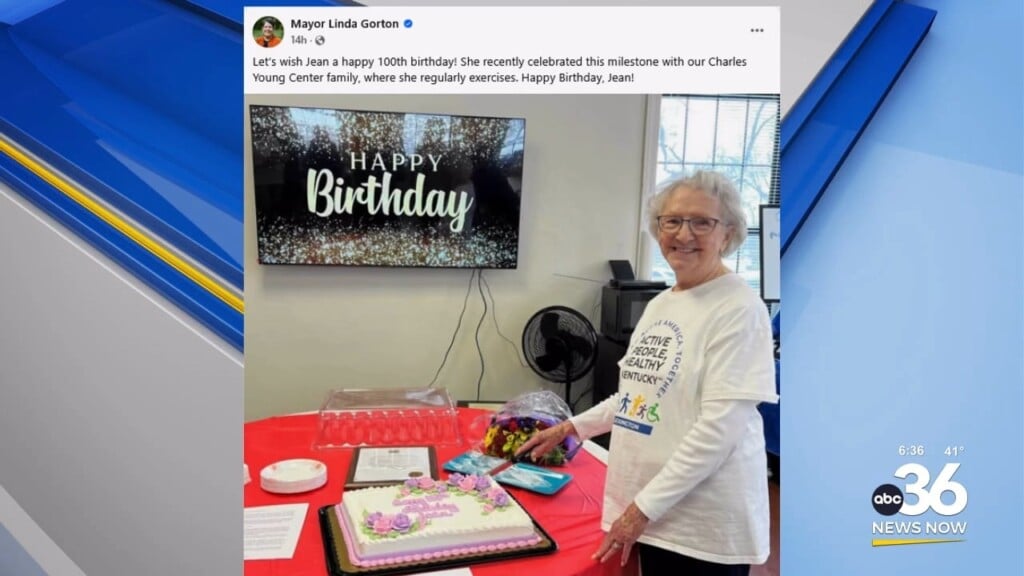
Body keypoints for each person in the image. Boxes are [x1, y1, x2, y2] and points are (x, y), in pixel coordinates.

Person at [517, 170, 778, 576]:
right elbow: (639, 395)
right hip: (658, 512)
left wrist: (639, 510)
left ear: (727, 234)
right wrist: (572, 428)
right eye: (671, 221)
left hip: (701, 526)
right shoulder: (662, 303)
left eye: (701, 222)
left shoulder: (739, 309)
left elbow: (719, 431)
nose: (683, 234)